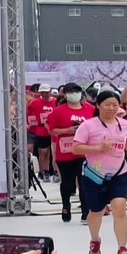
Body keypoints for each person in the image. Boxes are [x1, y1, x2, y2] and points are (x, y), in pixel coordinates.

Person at [72, 89, 127, 254]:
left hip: (119, 172)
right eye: (107, 105)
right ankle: (95, 240)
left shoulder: (125, 124)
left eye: (115, 105)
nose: (111, 108)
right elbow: (76, 148)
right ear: (98, 105)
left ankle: (122, 248)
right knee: (96, 212)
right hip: (95, 175)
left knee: (119, 208)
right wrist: (98, 148)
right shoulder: (88, 125)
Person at [46, 82, 93, 223]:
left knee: (84, 181)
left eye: (77, 91)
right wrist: (67, 131)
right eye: (71, 92)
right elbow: (52, 130)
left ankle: (86, 211)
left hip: (84, 152)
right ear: (65, 95)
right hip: (66, 152)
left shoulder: (90, 110)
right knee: (67, 183)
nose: (74, 94)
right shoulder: (58, 111)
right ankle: (66, 205)